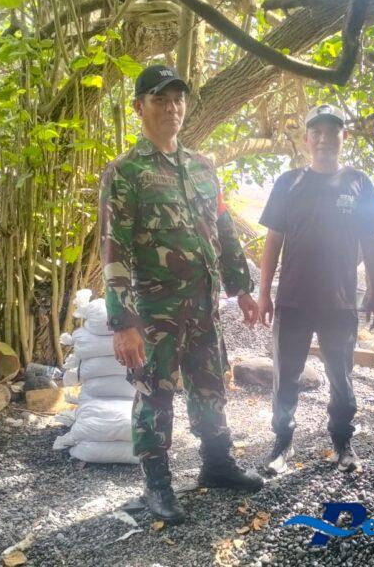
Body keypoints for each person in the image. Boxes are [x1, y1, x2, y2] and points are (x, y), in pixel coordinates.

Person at [99, 65, 264, 525]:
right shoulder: (125, 172)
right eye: (160, 100)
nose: (172, 108)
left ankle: (217, 464)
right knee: (154, 394)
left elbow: (223, 229)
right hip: (155, 311)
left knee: (210, 385)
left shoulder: (202, 166)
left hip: (204, 305)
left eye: (178, 99)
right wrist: (123, 322)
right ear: (139, 107)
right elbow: (114, 249)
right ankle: (157, 484)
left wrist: (242, 288)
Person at [256, 103, 374, 475]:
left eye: (332, 131)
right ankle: (282, 443)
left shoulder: (359, 182)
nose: (324, 138)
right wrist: (264, 293)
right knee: (286, 377)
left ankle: (343, 442)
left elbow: (370, 241)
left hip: (339, 303)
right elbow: (273, 240)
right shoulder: (289, 183)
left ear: (344, 137)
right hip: (293, 300)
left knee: (342, 378)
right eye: (316, 131)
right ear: (306, 139)